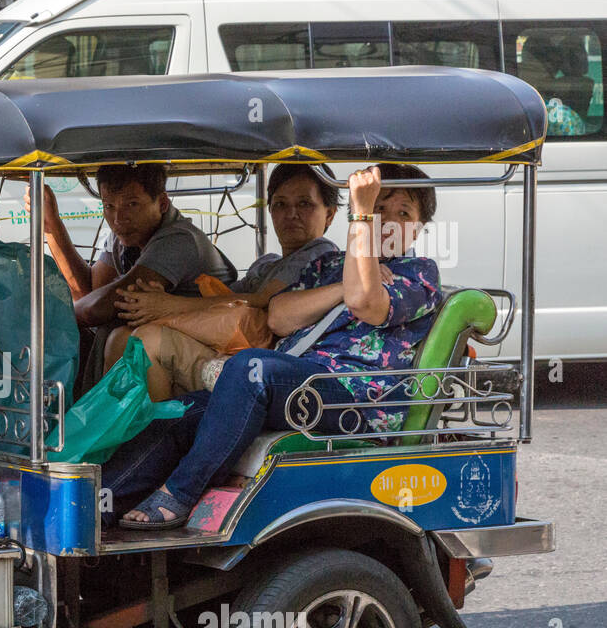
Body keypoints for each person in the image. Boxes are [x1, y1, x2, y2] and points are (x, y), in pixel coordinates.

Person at [106, 163, 442, 529]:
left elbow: (367, 303)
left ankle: (181, 494)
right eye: (378, 210)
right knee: (180, 412)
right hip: (303, 387)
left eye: (403, 213)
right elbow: (279, 316)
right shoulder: (330, 266)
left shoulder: (418, 272)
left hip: (351, 401)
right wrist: (340, 287)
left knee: (253, 369)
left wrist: (361, 218)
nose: (387, 222)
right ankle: (105, 497)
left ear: (419, 227)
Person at [113, 163, 346, 400]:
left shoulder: (322, 254)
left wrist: (169, 306)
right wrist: (161, 301)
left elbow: (261, 302)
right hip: (230, 350)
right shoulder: (266, 264)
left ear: (329, 214)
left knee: (146, 341)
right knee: (123, 337)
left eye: (304, 204)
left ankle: (156, 435)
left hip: (260, 367)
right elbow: (223, 302)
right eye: (280, 204)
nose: (291, 214)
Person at [32, 163, 237, 392]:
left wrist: (42, 317)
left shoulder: (179, 240)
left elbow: (98, 308)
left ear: (162, 203)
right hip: (165, 349)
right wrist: (51, 225)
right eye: (109, 206)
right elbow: (90, 292)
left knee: (124, 339)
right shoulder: (123, 236)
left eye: (132, 204)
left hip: (204, 354)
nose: (119, 218)